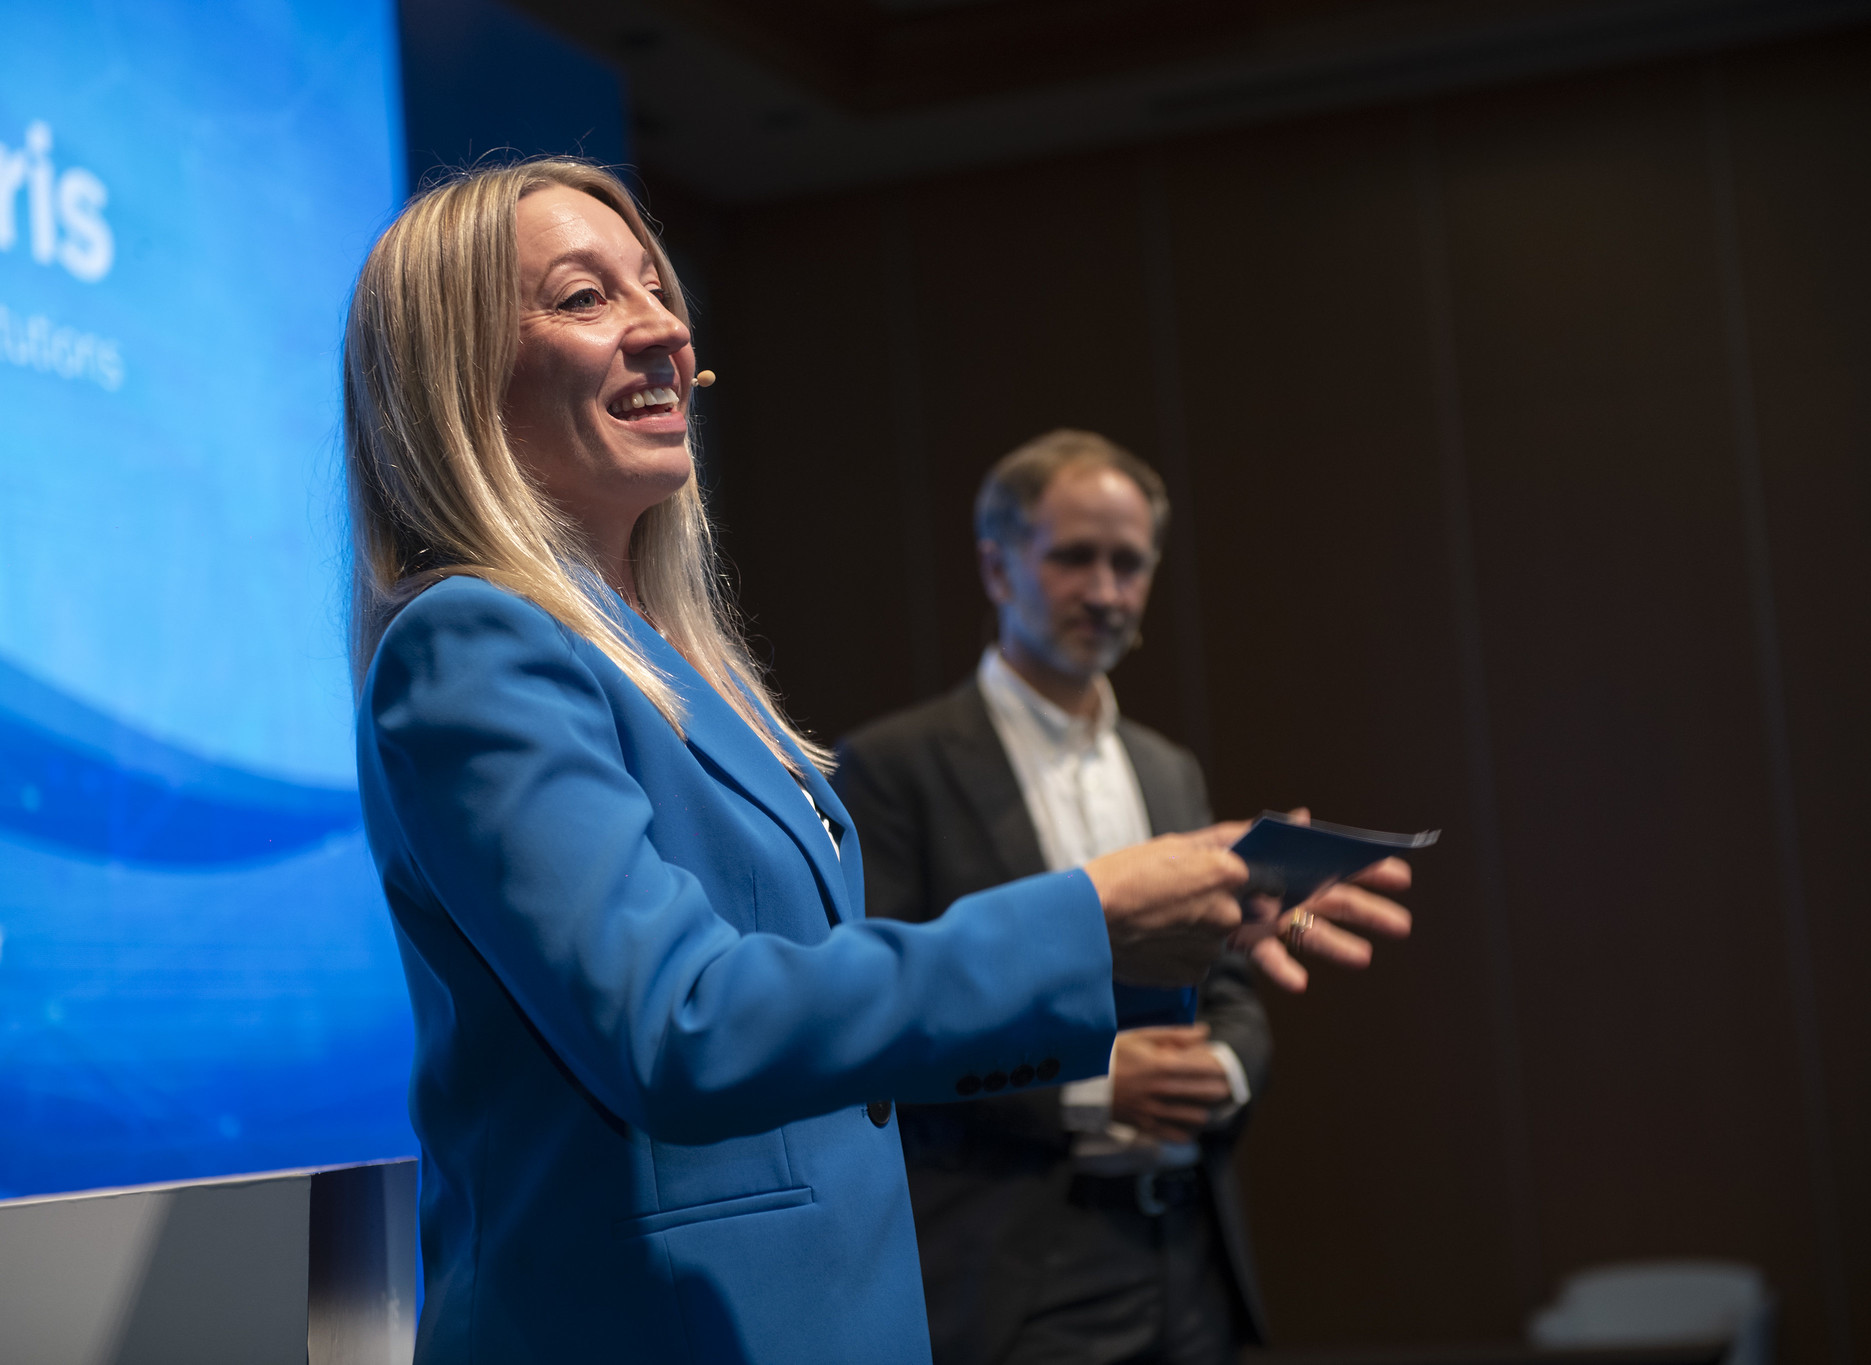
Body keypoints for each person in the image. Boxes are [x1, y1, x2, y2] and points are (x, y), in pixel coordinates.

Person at [342, 159, 1414, 1365]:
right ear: (454, 370)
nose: (662, 327)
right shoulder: (471, 641)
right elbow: (678, 1025)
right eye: (585, 298)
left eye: (655, 284)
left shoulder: (674, 663)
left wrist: (1173, 934)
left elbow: (833, 1010)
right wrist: (1085, 924)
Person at [834, 431, 1387, 1365]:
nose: (1104, 591)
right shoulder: (894, 769)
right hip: (1017, 1267)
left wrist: (1225, 1069)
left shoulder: (1166, 772)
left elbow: (1228, 991)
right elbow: (880, 1030)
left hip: (1187, 1251)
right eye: (1073, 557)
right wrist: (1089, 1087)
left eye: (1128, 563)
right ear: (997, 567)